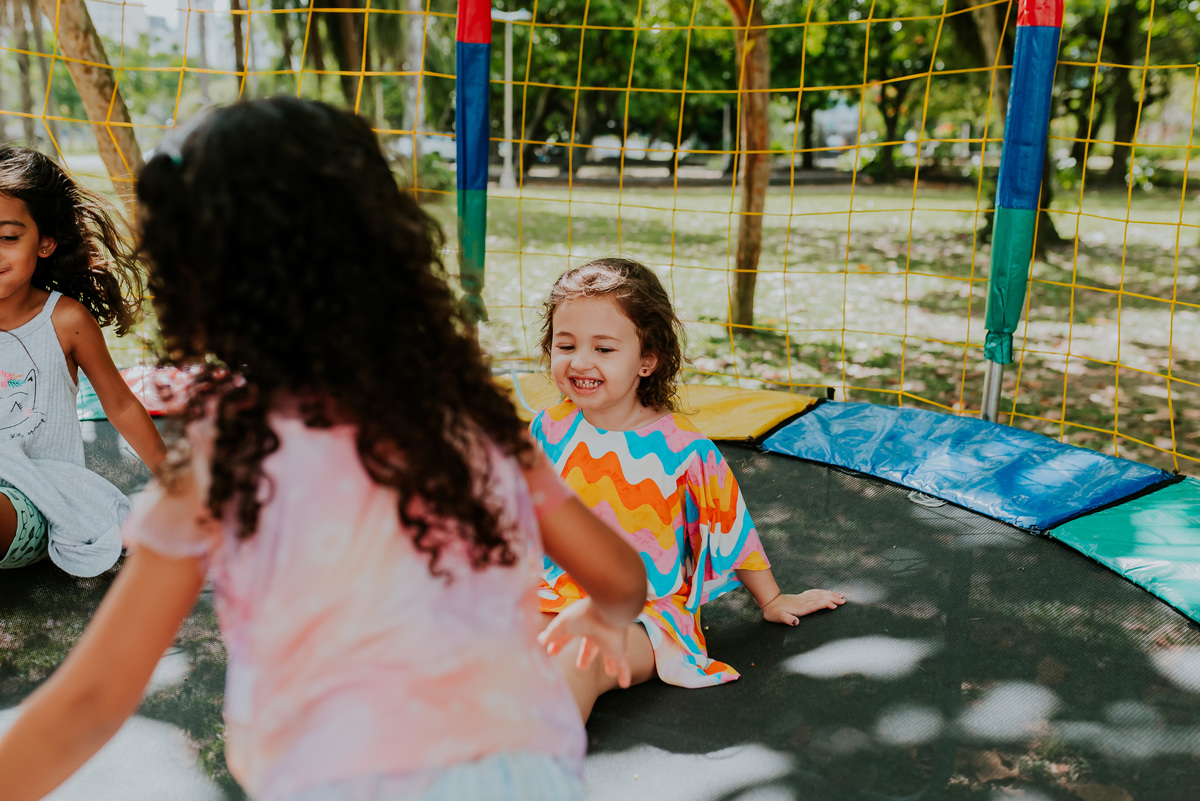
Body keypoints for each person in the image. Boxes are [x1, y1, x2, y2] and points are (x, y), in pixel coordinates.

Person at [0, 98, 647, 801]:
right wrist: (600, 612)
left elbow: (91, 701)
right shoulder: (468, 420)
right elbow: (619, 579)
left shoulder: (230, 459)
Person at [534, 257, 846, 720]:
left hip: (641, 618)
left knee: (574, 659)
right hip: (550, 593)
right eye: (566, 345)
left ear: (647, 360)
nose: (580, 362)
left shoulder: (684, 449)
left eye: (604, 349)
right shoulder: (551, 426)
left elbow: (730, 526)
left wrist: (773, 599)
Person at [0, 146, 165, 576]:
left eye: (7, 237)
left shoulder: (65, 320)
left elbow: (122, 405)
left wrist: (175, 480)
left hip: (36, 499)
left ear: (45, 242)